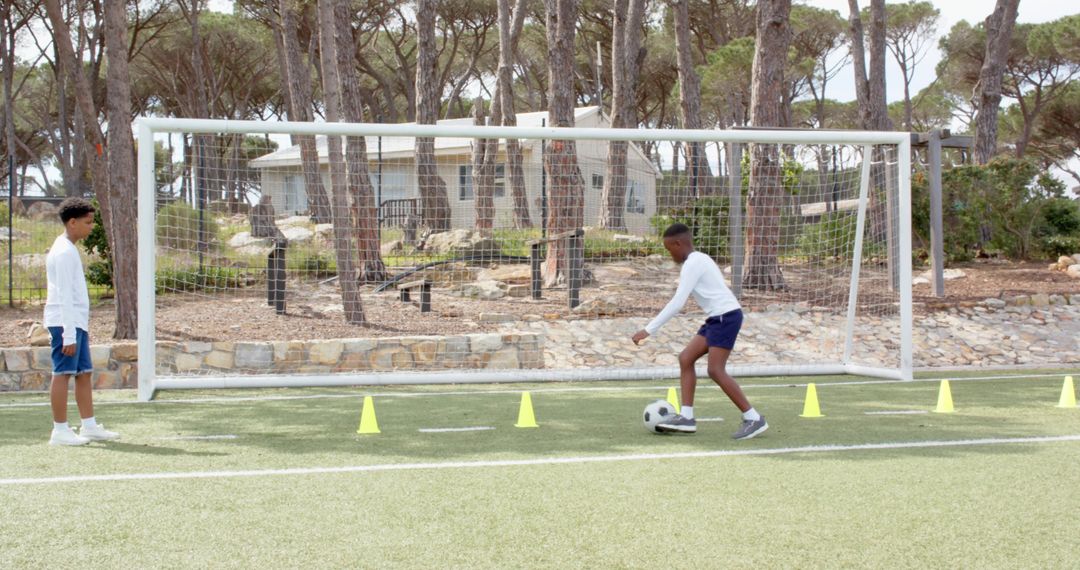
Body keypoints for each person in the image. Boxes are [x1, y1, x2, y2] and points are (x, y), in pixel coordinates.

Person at [632, 223, 767, 440]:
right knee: (686, 358)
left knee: (715, 370)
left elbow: (678, 302)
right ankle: (686, 417)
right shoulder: (699, 259)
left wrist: (648, 330)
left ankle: (753, 418)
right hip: (717, 318)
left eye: (669, 249)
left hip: (726, 317)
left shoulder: (693, 263)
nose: (670, 255)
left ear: (678, 243)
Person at [44, 198, 120, 446]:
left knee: (84, 373)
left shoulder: (68, 248)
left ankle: (89, 426)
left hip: (76, 323)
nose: (91, 227)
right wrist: (68, 335)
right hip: (65, 324)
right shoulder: (64, 252)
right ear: (72, 222)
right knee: (62, 373)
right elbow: (64, 295)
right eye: (88, 223)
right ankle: (60, 430)